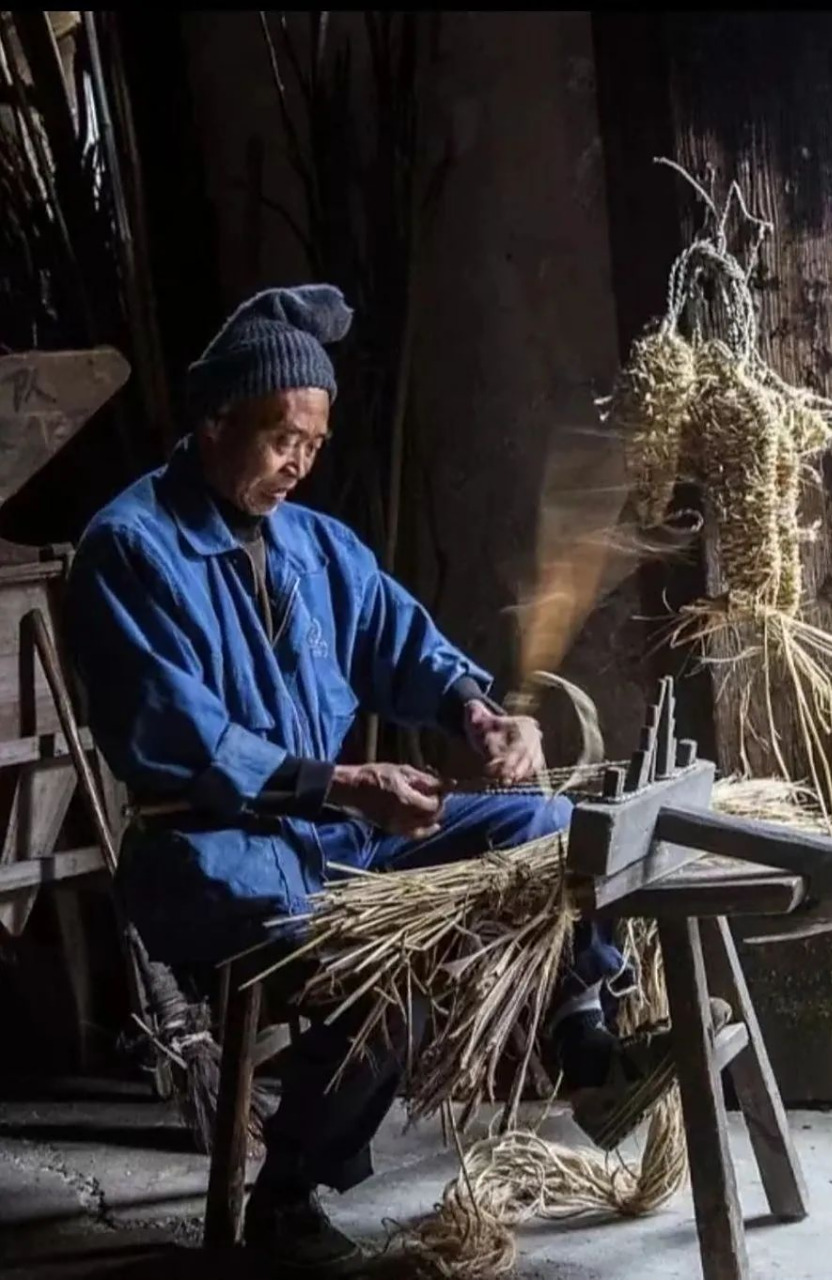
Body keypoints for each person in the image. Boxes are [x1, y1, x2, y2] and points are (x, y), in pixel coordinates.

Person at [65, 285, 675, 1276]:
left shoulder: (316, 543)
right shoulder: (130, 550)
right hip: (216, 854)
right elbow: (183, 735)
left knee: (557, 823)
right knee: (384, 983)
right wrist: (343, 781)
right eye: (278, 437)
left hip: (341, 836)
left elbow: (401, 641)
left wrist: (476, 710)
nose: (299, 461)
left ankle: (586, 1044)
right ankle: (286, 1199)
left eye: (313, 439)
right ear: (214, 420)